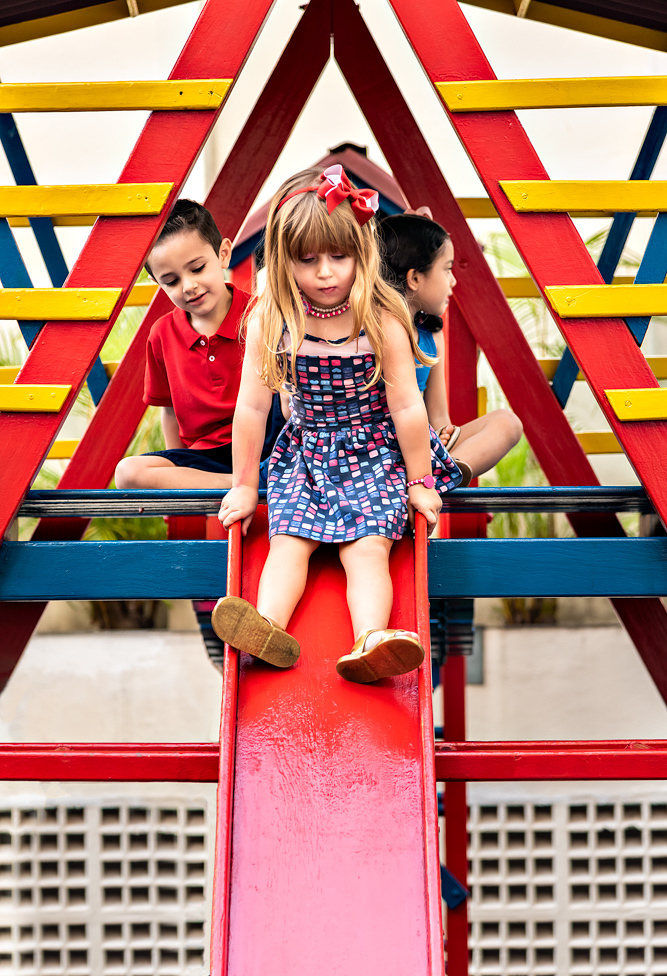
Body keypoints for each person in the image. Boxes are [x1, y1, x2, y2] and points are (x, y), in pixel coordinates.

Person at [212, 165, 463, 685]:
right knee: (287, 540)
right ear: (285, 260)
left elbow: (408, 409)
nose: (325, 272)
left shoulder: (383, 317)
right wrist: (244, 484)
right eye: (307, 260)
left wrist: (419, 483)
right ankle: (267, 626)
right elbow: (253, 408)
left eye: (339, 256)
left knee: (367, 546)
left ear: (361, 254)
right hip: (306, 454)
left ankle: (371, 639)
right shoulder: (271, 318)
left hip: (374, 452)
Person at [114, 199, 282, 491]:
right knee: (127, 472)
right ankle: (241, 483)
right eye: (171, 280)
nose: (188, 285)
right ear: (158, 283)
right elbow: (167, 409)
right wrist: (177, 476)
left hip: (266, 444)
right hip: (206, 458)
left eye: (197, 268)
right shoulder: (162, 334)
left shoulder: (263, 315)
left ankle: (256, 476)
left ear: (223, 254)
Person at [378, 212, 522, 483]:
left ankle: (444, 474)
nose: (453, 280)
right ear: (415, 278)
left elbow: (439, 418)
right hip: (373, 447)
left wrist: (444, 433)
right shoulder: (371, 329)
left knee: (507, 422)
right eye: (446, 269)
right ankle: (431, 477)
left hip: (421, 444)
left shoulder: (431, 334)